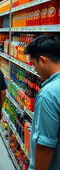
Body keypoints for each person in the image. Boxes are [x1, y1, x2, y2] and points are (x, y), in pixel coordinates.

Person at [24, 35, 60, 170]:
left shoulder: (48, 94)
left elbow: (45, 146)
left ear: (43, 60)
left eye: (33, 64)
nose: (34, 69)